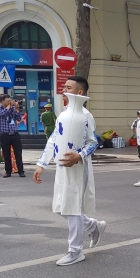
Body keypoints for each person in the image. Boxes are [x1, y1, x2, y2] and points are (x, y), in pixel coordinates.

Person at [33, 75, 106, 266]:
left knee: (72, 207)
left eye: (68, 87)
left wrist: (79, 156)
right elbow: (53, 140)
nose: (64, 90)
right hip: (61, 167)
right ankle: (93, 226)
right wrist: (42, 164)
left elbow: (93, 142)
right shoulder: (63, 114)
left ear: (79, 92)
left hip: (77, 168)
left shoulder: (86, 116)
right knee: (61, 206)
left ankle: (75, 251)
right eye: (64, 86)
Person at [0, 93, 25, 177]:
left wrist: (17, 109)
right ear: (2, 101)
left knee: (18, 153)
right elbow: (1, 114)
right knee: (6, 154)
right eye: (7, 101)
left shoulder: (12, 108)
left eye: (9, 100)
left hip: (14, 134)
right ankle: (8, 171)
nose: (9, 102)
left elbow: (18, 118)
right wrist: (9, 107)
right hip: (5, 135)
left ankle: (21, 171)